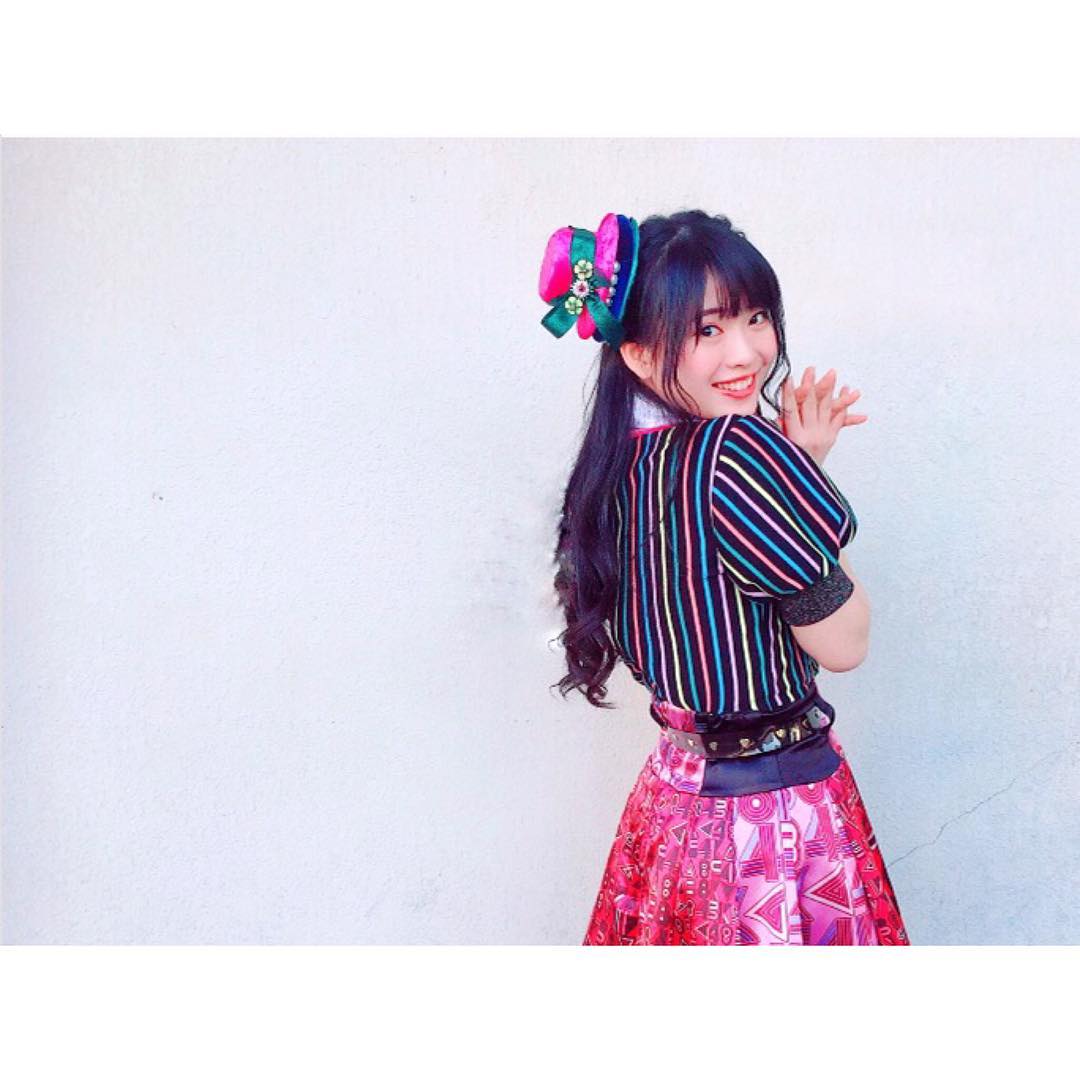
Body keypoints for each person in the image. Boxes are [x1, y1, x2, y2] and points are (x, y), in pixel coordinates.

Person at [539, 209, 909, 946]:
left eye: (756, 318)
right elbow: (844, 642)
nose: (746, 354)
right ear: (638, 352)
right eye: (706, 330)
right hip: (769, 825)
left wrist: (796, 472)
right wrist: (798, 470)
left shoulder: (618, 467)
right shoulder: (738, 451)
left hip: (671, 811)